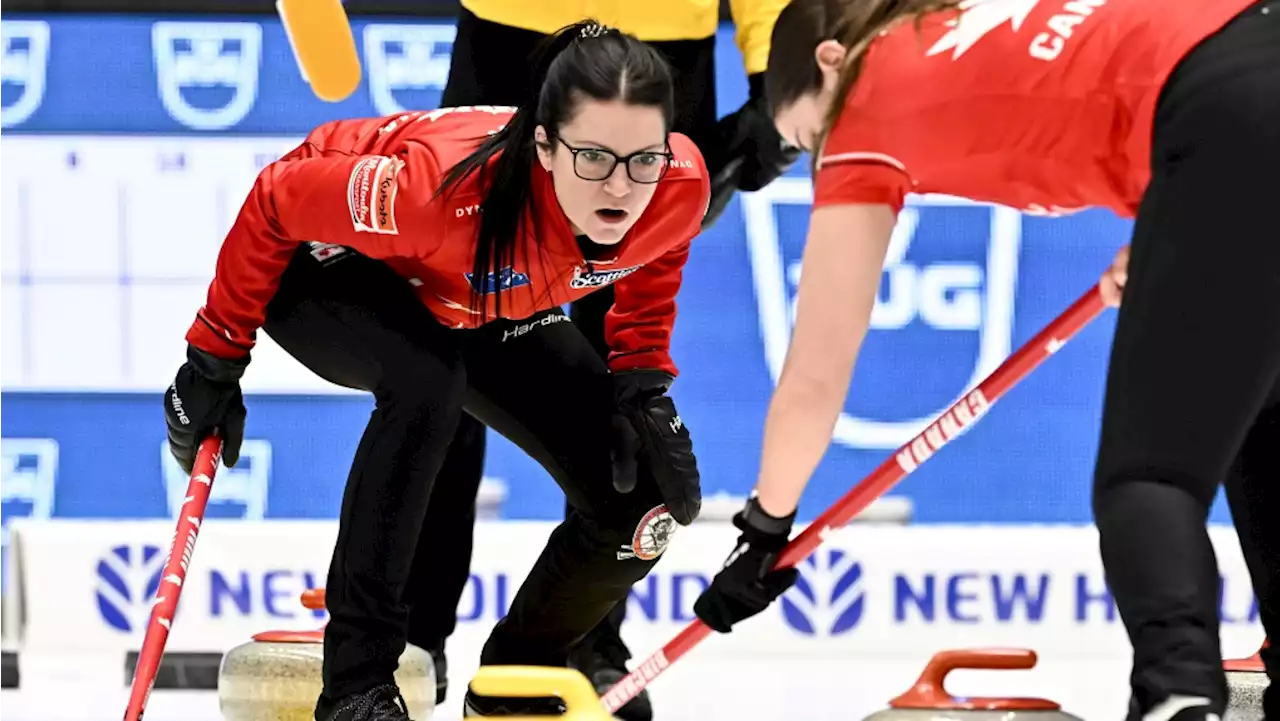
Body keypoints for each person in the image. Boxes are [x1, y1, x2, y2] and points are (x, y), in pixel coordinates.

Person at [689, 0, 1280, 720]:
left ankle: (1178, 696)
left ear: (828, 61)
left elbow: (814, 374)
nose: (823, 162)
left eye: (806, 139)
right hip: (1249, 59)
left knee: (1149, 478)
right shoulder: (953, 22)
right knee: (1261, 420)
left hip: (1226, 111)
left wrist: (765, 528)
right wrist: (1179, 232)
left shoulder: (859, 107)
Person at [162, 20, 709, 721]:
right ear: (543, 146)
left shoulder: (676, 184)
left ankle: (518, 681)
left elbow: (655, 252)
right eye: (594, 157)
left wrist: (640, 376)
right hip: (334, 265)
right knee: (428, 382)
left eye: (642, 160)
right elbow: (276, 200)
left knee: (641, 497)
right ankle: (357, 685)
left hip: (476, 294)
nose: (622, 186)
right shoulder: (429, 195)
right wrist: (213, 357)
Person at [406, 1, 799, 719]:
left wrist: (776, 64)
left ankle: (581, 640)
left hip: (666, 43)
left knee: (619, 359)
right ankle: (411, 631)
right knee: (450, 319)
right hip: (510, 26)